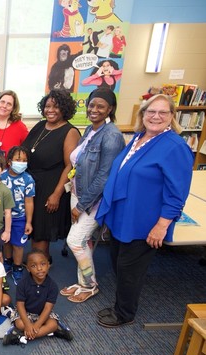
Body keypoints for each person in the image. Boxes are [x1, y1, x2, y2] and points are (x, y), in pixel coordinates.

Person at [95, 94, 194, 328]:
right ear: (143, 114)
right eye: (151, 111)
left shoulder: (174, 146)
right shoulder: (140, 138)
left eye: (162, 112)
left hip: (144, 224)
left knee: (130, 270)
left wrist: (162, 225)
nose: (156, 116)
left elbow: (177, 193)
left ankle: (124, 313)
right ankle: (121, 304)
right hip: (123, 218)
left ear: (172, 117)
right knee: (119, 264)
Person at [60, 88, 125, 303]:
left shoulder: (112, 136)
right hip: (78, 193)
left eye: (100, 106)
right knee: (83, 240)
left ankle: (90, 285)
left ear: (110, 109)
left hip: (94, 199)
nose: (94, 109)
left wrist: (82, 205)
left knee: (75, 240)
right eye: (91, 105)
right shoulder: (90, 129)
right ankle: (83, 282)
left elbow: (105, 177)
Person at [21, 89, 80, 259]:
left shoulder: (70, 131)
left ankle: (41, 265)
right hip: (33, 183)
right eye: (47, 106)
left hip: (51, 186)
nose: (50, 110)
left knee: (42, 229)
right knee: (34, 226)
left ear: (65, 109)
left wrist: (56, 194)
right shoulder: (41, 125)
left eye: (56, 107)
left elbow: (70, 165)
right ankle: (36, 260)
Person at [2, 249, 73, 345]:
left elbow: (48, 308)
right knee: (20, 324)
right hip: (26, 313)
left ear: (48, 265)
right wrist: (27, 324)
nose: (39, 268)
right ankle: (47, 332)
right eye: (34, 266)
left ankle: (21, 336)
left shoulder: (53, 286)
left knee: (53, 324)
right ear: (28, 269)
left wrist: (37, 325)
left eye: (43, 264)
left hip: (43, 314)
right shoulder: (22, 284)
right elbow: (20, 305)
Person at [1, 146, 35, 284]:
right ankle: (7, 262)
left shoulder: (28, 179)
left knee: (18, 245)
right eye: (18, 159)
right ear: (9, 161)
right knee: (6, 242)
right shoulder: (1, 177)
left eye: (24, 160)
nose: (21, 163)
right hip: (2, 218)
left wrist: (28, 222)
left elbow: (29, 202)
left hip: (19, 218)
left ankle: (17, 267)